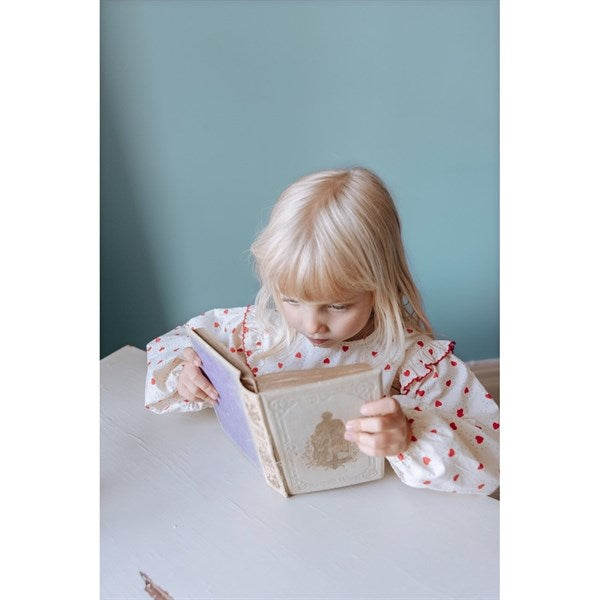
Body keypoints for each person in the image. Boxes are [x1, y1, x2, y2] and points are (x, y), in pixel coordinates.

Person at [145, 167, 499, 495]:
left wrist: (409, 433)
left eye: (338, 306)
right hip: (249, 497)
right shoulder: (255, 331)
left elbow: (493, 456)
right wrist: (185, 373)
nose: (312, 324)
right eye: (291, 300)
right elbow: (174, 343)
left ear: (381, 288)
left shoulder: (413, 363)